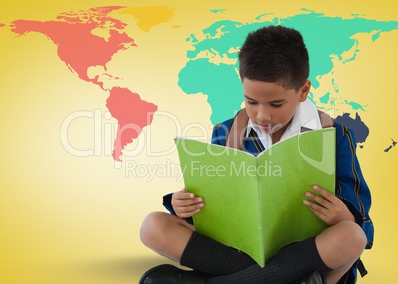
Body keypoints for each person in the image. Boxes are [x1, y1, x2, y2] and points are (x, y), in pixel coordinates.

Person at [139, 25, 374, 284]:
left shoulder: (333, 135)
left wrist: (344, 215)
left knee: (352, 236)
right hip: (239, 248)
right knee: (153, 227)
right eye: (251, 101)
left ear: (303, 91)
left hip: (309, 252)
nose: (262, 115)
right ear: (242, 85)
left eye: (276, 104)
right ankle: (285, 279)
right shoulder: (225, 133)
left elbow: (361, 223)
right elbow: (211, 209)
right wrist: (185, 206)